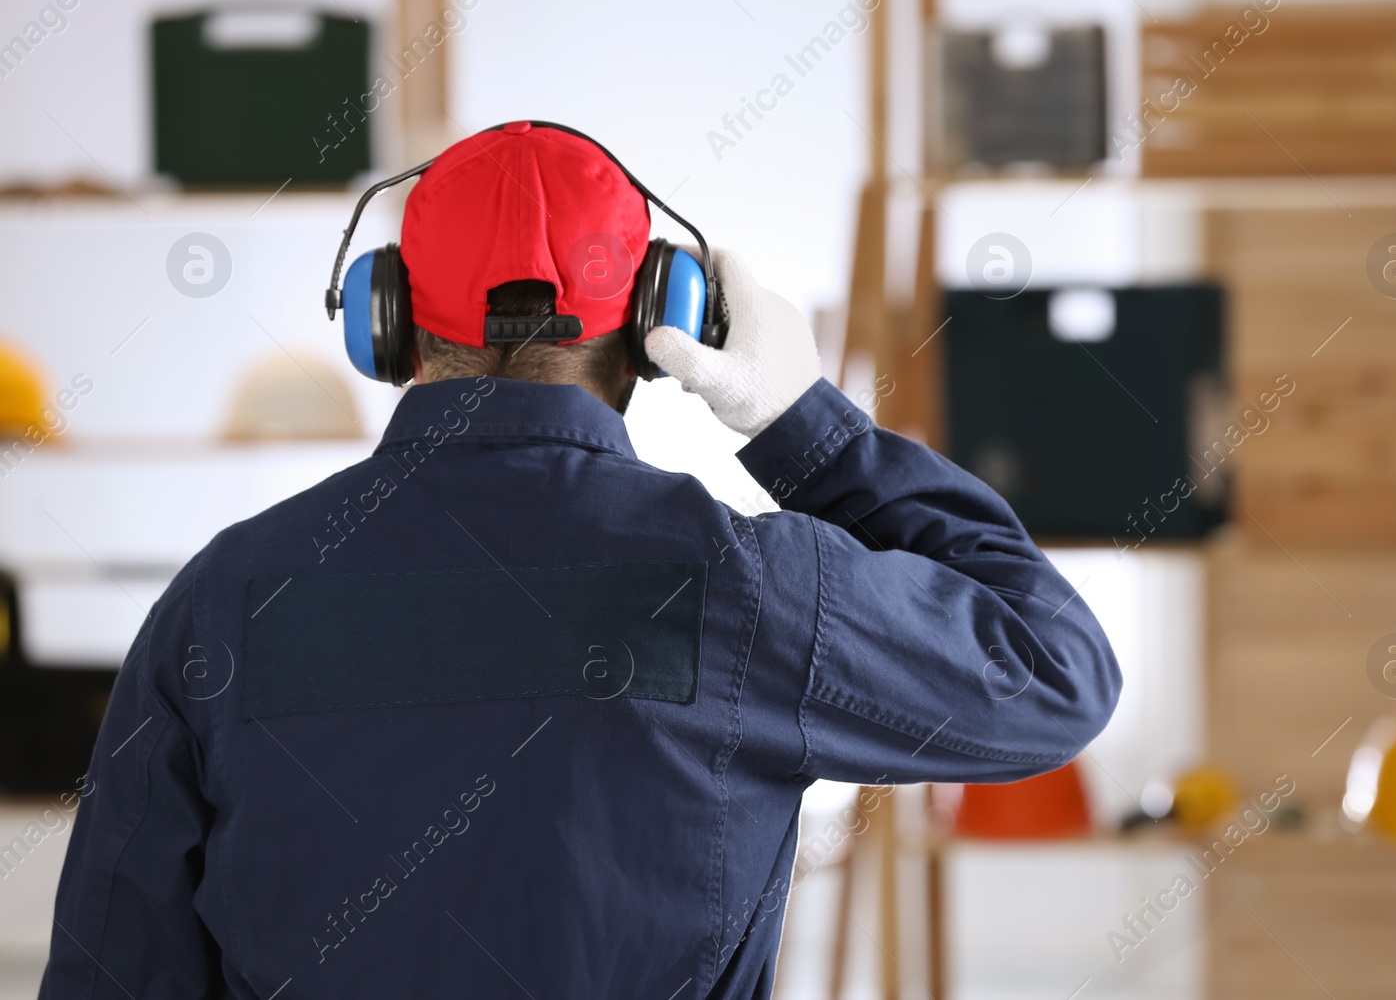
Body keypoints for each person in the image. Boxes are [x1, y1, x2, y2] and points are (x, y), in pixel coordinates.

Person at [40, 124, 1120, 999]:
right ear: (663, 322)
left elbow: (112, 971)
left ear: (389, 319)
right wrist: (805, 425)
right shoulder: (748, 589)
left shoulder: (224, 597)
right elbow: (1055, 670)